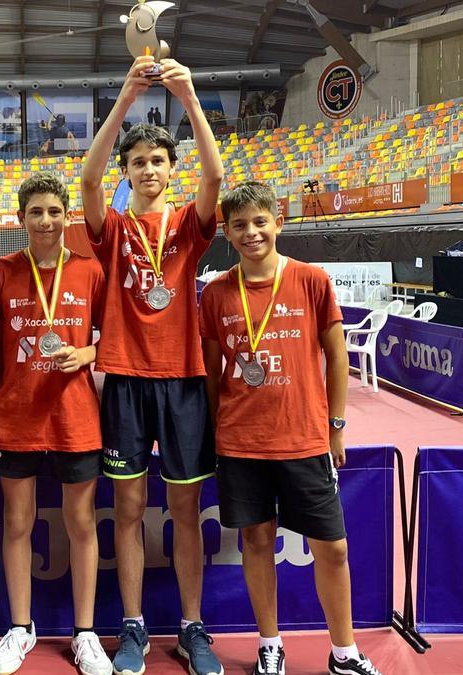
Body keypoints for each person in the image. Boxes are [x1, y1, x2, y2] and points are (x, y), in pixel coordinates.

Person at [199, 182, 382, 675]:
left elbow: (337, 355)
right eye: (240, 225)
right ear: (227, 233)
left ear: (278, 223)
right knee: (257, 542)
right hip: (241, 442)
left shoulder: (311, 280)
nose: (251, 232)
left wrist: (335, 427)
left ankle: (343, 652)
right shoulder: (215, 293)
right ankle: (269, 643)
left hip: (303, 439)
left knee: (334, 548)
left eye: (260, 221)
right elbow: (212, 371)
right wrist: (220, 429)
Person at [80, 54, 225, 675]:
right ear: (128, 172)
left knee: (187, 512)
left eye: (158, 161)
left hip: (185, 380)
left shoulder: (189, 228)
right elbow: (86, 181)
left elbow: (216, 179)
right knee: (132, 511)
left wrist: (189, 99)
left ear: (171, 169)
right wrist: (124, 96)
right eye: (137, 162)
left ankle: (193, 628)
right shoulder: (111, 227)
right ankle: (133, 626)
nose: (148, 169)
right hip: (126, 381)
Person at [0, 173, 111, 675]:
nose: (46, 220)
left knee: (81, 524)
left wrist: (86, 352)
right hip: (16, 416)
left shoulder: (90, 272)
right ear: (21, 219)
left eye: (55, 211)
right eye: (36, 212)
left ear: (67, 216)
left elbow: (114, 338)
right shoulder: (1, 272)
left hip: (75, 418)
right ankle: (21, 627)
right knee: (17, 523)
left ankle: (84, 633)